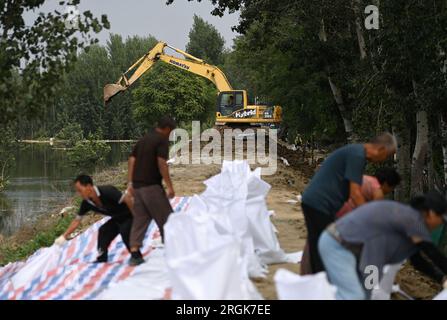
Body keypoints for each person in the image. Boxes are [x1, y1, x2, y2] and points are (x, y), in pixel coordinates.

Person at [318, 190, 447, 300]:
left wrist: (441, 278)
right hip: (338, 245)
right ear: (431, 213)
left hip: (351, 250)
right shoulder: (412, 219)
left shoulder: (406, 222)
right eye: (442, 220)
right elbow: (430, 251)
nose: (441, 224)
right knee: (355, 295)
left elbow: (417, 260)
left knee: (362, 294)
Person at [301, 132, 397, 273]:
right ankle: (320, 283)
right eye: (387, 156)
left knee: (320, 244)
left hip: (318, 203)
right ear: (381, 149)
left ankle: (317, 281)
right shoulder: (357, 155)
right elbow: (355, 193)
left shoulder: (356, 153)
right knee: (324, 246)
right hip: (319, 203)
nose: (384, 160)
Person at [127, 116, 176, 266]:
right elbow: (161, 163)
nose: (170, 134)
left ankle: (135, 253)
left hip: (138, 187)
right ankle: (174, 251)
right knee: (167, 217)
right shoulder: (161, 140)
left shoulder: (144, 139)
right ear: (167, 129)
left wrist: (130, 183)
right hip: (151, 187)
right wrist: (169, 186)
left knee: (140, 220)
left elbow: (131, 160)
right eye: (171, 131)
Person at [54, 175, 133, 263]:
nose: (79, 194)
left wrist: (137, 217)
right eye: (78, 192)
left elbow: (127, 199)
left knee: (125, 230)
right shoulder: (87, 203)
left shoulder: (107, 191)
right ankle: (102, 258)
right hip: (117, 218)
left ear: (88, 186)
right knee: (103, 231)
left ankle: (136, 256)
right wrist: (64, 237)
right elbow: (77, 221)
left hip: (129, 215)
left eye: (80, 190)